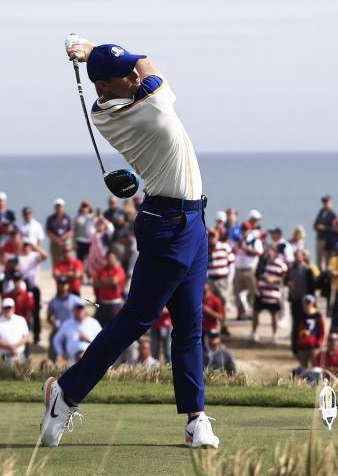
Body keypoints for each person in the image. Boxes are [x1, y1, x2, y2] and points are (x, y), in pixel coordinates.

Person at [41, 40, 219, 449]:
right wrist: (90, 47)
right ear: (105, 85)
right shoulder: (152, 106)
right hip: (171, 223)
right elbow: (144, 59)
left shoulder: (104, 112)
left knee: (190, 323)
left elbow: (133, 65)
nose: (134, 75)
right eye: (125, 75)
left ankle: (196, 419)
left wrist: (92, 55)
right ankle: (66, 394)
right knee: (138, 318)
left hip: (189, 219)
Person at [251, 245, 286, 343]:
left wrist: (273, 279)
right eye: (267, 251)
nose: (268, 253)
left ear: (275, 252)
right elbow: (257, 275)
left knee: (274, 315)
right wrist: (256, 287)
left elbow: (284, 279)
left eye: (270, 251)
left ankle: (274, 336)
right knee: (255, 312)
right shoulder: (262, 262)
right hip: (261, 292)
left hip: (273, 294)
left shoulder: (280, 264)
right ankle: (254, 333)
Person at [53, 298, 102, 363]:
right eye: (77, 309)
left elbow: (102, 339)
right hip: (72, 361)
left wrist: (89, 339)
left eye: (81, 309)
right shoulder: (67, 324)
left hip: (91, 360)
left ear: (85, 310)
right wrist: (61, 352)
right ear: (73, 310)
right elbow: (57, 339)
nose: (79, 311)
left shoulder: (93, 323)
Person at [233, 216, 263, 320]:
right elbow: (234, 251)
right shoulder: (239, 239)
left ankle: (251, 312)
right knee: (237, 292)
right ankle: (240, 313)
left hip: (250, 269)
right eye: (243, 228)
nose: (244, 230)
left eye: (246, 229)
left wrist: (246, 248)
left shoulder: (254, 240)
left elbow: (259, 253)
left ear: (250, 229)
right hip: (238, 268)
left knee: (252, 292)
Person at [206, 228, 234, 329]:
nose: (212, 238)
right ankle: (211, 326)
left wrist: (230, 279)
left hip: (222, 280)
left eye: (214, 236)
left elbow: (231, 264)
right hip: (210, 280)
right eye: (211, 236)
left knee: (223, 303)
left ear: (217, 237)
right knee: (210, 302)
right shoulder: (206, 248)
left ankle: (223, 325)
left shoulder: (224, 247)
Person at [0, 297, 30, 362]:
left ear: (13, 308)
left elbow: (26, 337)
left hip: (19, 354)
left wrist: (14, 347)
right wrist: (10, 347)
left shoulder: (21, 320)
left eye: (9, 307)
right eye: (6, 308)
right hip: (3, 356)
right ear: (2, 308)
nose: (8, 310)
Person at [47, 277, 79, 358]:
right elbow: (49, 317)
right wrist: (53, 322)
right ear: (57, 286)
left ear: (68, 286)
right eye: (60, 284)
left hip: (72, 328)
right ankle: (51, 362)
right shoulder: (53, 301)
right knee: (53, 339)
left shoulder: (75, 300)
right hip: (59, 328)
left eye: (64, 284)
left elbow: (83, 313)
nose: (62, 286)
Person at [92, 250, 126, 326]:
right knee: (98, 325)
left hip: (115, 303)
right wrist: (109, 281)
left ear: (115, 259)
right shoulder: (102, 270)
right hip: (102, 303)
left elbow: (114, 280)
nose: (110, 260)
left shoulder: (119, 270)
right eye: (108, 258)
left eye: (112, 258)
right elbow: (95, 284)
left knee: (115, 326)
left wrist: (102, 280)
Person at [294, 294, 326, 368]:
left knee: (315, 367)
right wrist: (295, 347)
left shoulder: (317, 315)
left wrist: (319, 342)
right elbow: (295, 332)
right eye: (306, 302)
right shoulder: (299, 315)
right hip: (302, 346)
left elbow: (322, 331)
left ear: (313, 303)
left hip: (313, 346)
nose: (307, 304)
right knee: (303, 368)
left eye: (309, 302)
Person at [46, 199, 74, 264]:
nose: (58, 208)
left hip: (66, 242)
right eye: (57, 206)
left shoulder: (67, 218)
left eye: (60, 206)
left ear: (63, 207)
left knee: (68, 259)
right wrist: (57, 240)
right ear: (54, 207)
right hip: (55, 243)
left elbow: (71, 231)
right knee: (56, 261)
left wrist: (63, 238)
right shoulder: (50, 219)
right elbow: (48, 232)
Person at [312, 195, 337, 270]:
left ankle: (327, 276)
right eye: (324, 202)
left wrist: (324, 228)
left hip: (327, 240)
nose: (325, 204)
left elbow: (334, 228)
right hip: (319, 238)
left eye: (326, 202)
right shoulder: (321, 212)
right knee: (319, 260)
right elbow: (316, 224)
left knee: (327, 260)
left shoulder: (332, 214)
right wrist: (317, 227)